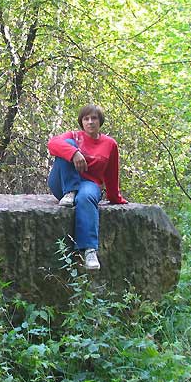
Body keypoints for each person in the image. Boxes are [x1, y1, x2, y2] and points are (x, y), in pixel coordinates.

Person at [47, 104, 128, 271]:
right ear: (82, 122)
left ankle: (89, 250)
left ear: (100, 121)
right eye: (86, 119)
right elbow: (52, 144)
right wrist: (74, 153)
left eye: (94, 118)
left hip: (88, 185)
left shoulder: (109, 144)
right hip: (61, 184)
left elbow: (111, 174)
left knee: (86, 197)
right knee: (66, 144)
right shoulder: (74, 136)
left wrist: (115, 198)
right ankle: (70, 190)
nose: (90, 122)